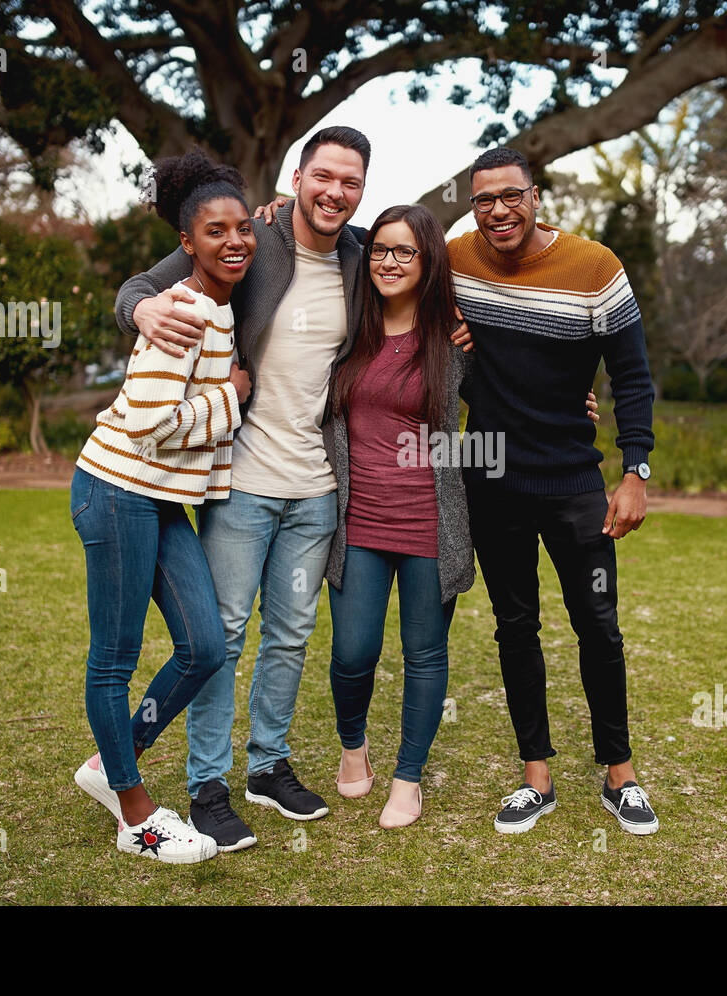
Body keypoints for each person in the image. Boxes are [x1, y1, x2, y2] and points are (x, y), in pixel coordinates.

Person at [113, 128, 472, 849]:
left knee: (290, 638)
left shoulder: (360, 257)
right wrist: (140, 310)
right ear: (297, 177)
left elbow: (413, 257)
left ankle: (268, 766)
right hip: (242, 479)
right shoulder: (255, 240)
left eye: (352, 182)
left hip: (318, 492)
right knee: (225, 635)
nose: (336, 192)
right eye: (325, 177)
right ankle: (208, 783)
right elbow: (145, 284)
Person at [323, 205, 601, 828]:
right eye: (380, 251)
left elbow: (517, 392)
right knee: (352, 652)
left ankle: (408, 778)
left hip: (432, 522)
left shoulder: (457, 342)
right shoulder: (349, 333)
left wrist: (569, 404)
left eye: (405, 252)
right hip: (358, 521)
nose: (389, 262)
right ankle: (353, 745)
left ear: (428, 264)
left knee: (425, 653)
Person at [449, 147, 661, 836]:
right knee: (516, 629)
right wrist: (276, 211)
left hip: (574, 483)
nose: (498, 211)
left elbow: (631, 376)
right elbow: (378, 251)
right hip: (492, 483)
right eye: (483, 200)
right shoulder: (454, 262)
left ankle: (619, 775)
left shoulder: (596, 268)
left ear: (536, 196)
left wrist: (636, 471)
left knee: (598, 625)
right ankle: (535, 775)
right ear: (472, 205)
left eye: (511, 196)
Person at [70, 150, 256, 863]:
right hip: (116, 492)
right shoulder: (181, 308)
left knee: (205, 647)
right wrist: (231, 397)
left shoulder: (220, 305)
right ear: (187, 244)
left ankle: (109, 761)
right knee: (113, 660)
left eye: (243, 228)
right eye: (216, 231)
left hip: (159, 500)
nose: (235, 241)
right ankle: (135, 814)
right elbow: (149, 422)